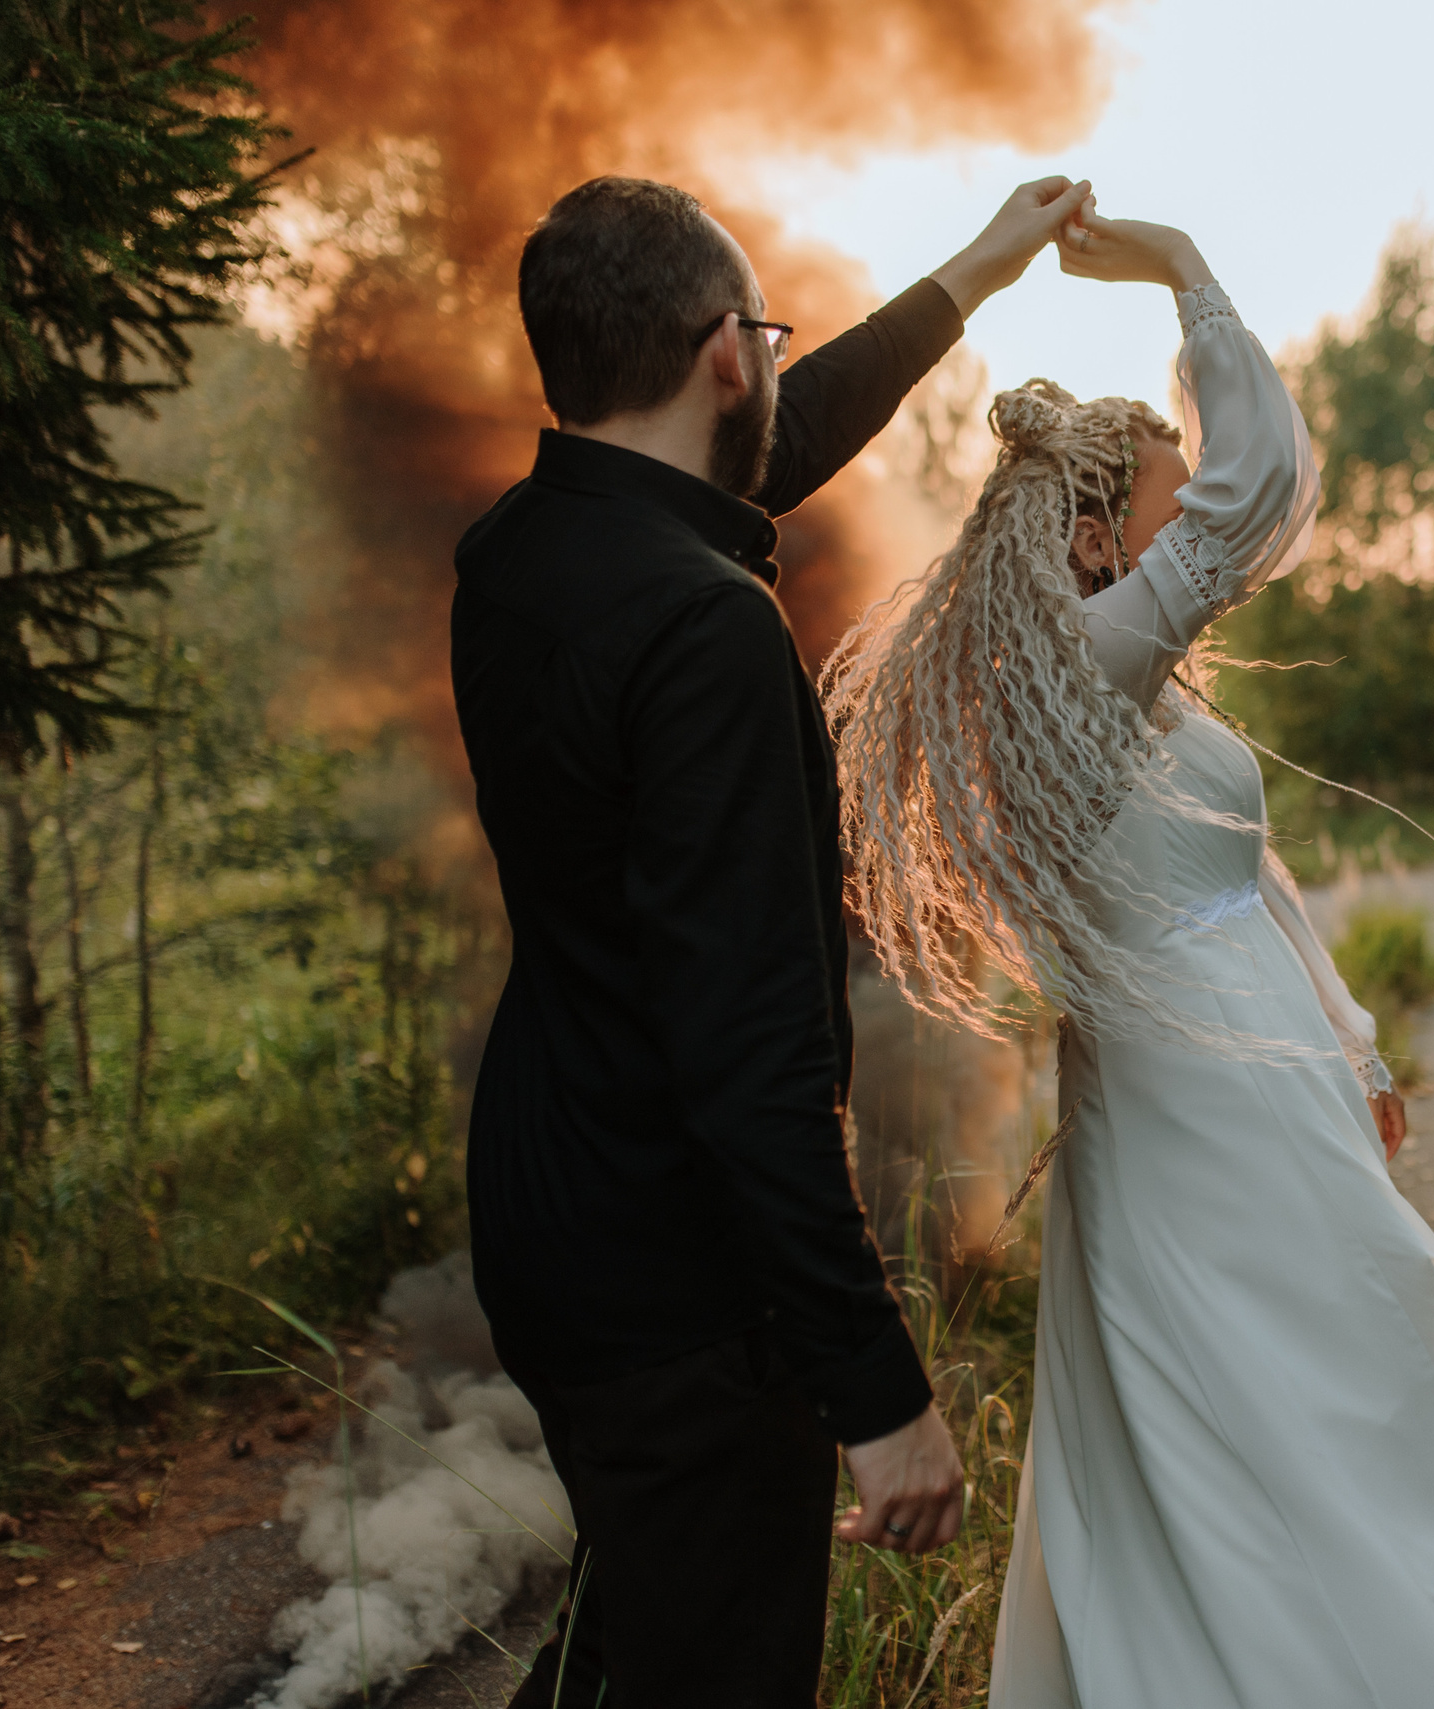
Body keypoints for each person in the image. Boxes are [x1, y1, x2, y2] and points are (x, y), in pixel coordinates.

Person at [822, 206, 1434, 1708]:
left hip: (1261, 1081)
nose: (1195, 535)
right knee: (1300, 1392)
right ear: (1095, 536)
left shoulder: (1132, 689)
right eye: (1164, 506)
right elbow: (1262, 491)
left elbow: (1245, 884)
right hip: (1204, 1115)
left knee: (1329, 1382)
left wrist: (1354, 1040)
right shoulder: (1079, 670)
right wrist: (1182, 267)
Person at [450, 172, 1092, 1708]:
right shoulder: (708, 629)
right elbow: (751, 1062)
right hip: (679, 1278)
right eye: (767, 342)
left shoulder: (521, 549)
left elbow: (760, 459)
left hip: (548, 1218)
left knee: (629, 1632)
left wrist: (976, 272)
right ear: (728, 355)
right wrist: (877, 1393)